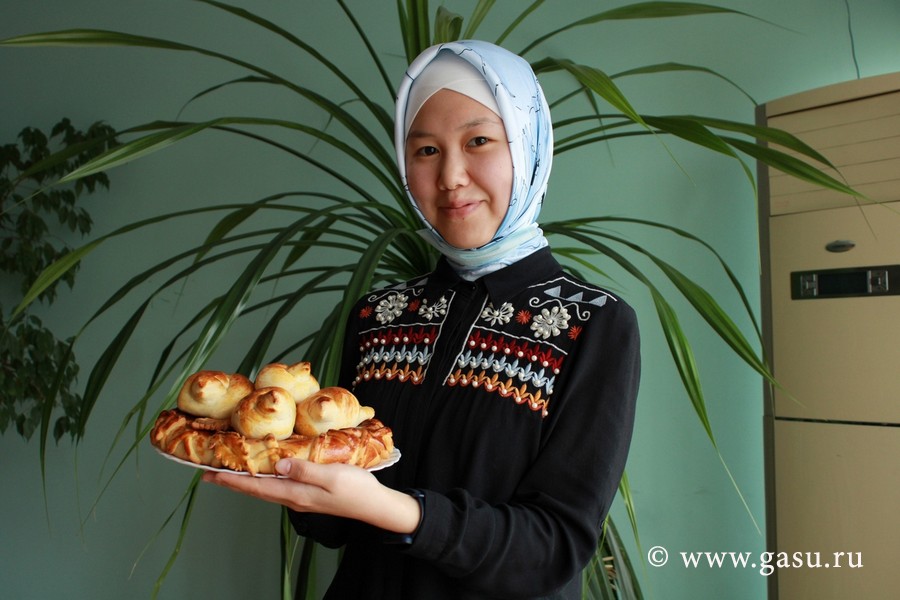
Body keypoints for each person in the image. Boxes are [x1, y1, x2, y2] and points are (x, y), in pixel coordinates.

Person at [203, 39, 640, 600]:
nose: (451, 176)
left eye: (478, 141)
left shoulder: (592, 325)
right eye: (427, 150)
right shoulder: (378, 316)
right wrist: (289, 472)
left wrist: (399, 511)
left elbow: (555, 545)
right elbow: (336, 524)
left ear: (527, 146)